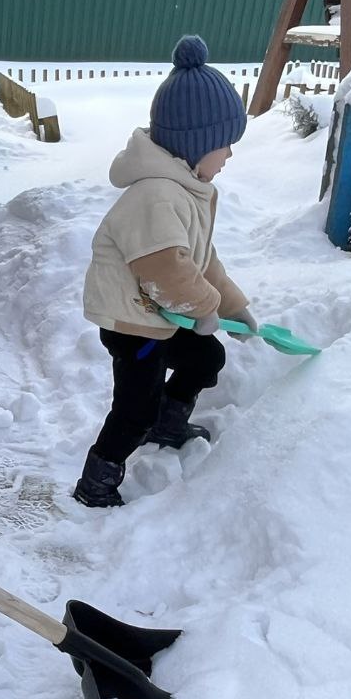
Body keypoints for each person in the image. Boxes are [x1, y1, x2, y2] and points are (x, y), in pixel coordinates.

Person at [74, 35, 255, 508]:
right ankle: (96, 481)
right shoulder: (156, 195)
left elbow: (201, 261)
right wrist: (204, 307)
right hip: (133, 322)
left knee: (204, 358)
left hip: (163, 312)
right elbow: (166, 270)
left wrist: (235, 307)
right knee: (135, 406)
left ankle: (168, 423)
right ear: (195, 144)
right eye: (224, 145)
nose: (229, 156)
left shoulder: (188, 189)